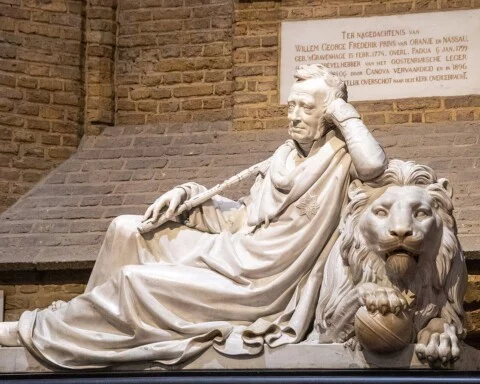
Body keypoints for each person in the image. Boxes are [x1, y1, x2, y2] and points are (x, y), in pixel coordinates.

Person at [0, 64, 387, 369]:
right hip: (237, 251)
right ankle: (85, 330)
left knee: (136, 282)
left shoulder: (340, 158)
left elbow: (374, 166)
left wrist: (345, 113)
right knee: (127, 229)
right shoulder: (282, 158)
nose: (295, 115)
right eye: (292, 105)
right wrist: (190, 197)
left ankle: (40, 332)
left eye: (308, 107)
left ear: (331, 114)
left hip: (258, 281)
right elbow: (243, 219)